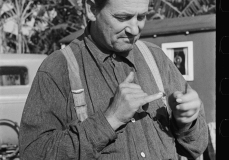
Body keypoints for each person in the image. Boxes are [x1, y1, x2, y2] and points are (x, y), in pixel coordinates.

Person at [19, 0, 208, 159]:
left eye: (141, 17)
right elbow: (33, 153)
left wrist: (186, 120)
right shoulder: (57, 69)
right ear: (92, 10)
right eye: (122, 18)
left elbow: (196, 146)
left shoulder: (156, 58)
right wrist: (110, 120)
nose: (134, 29)